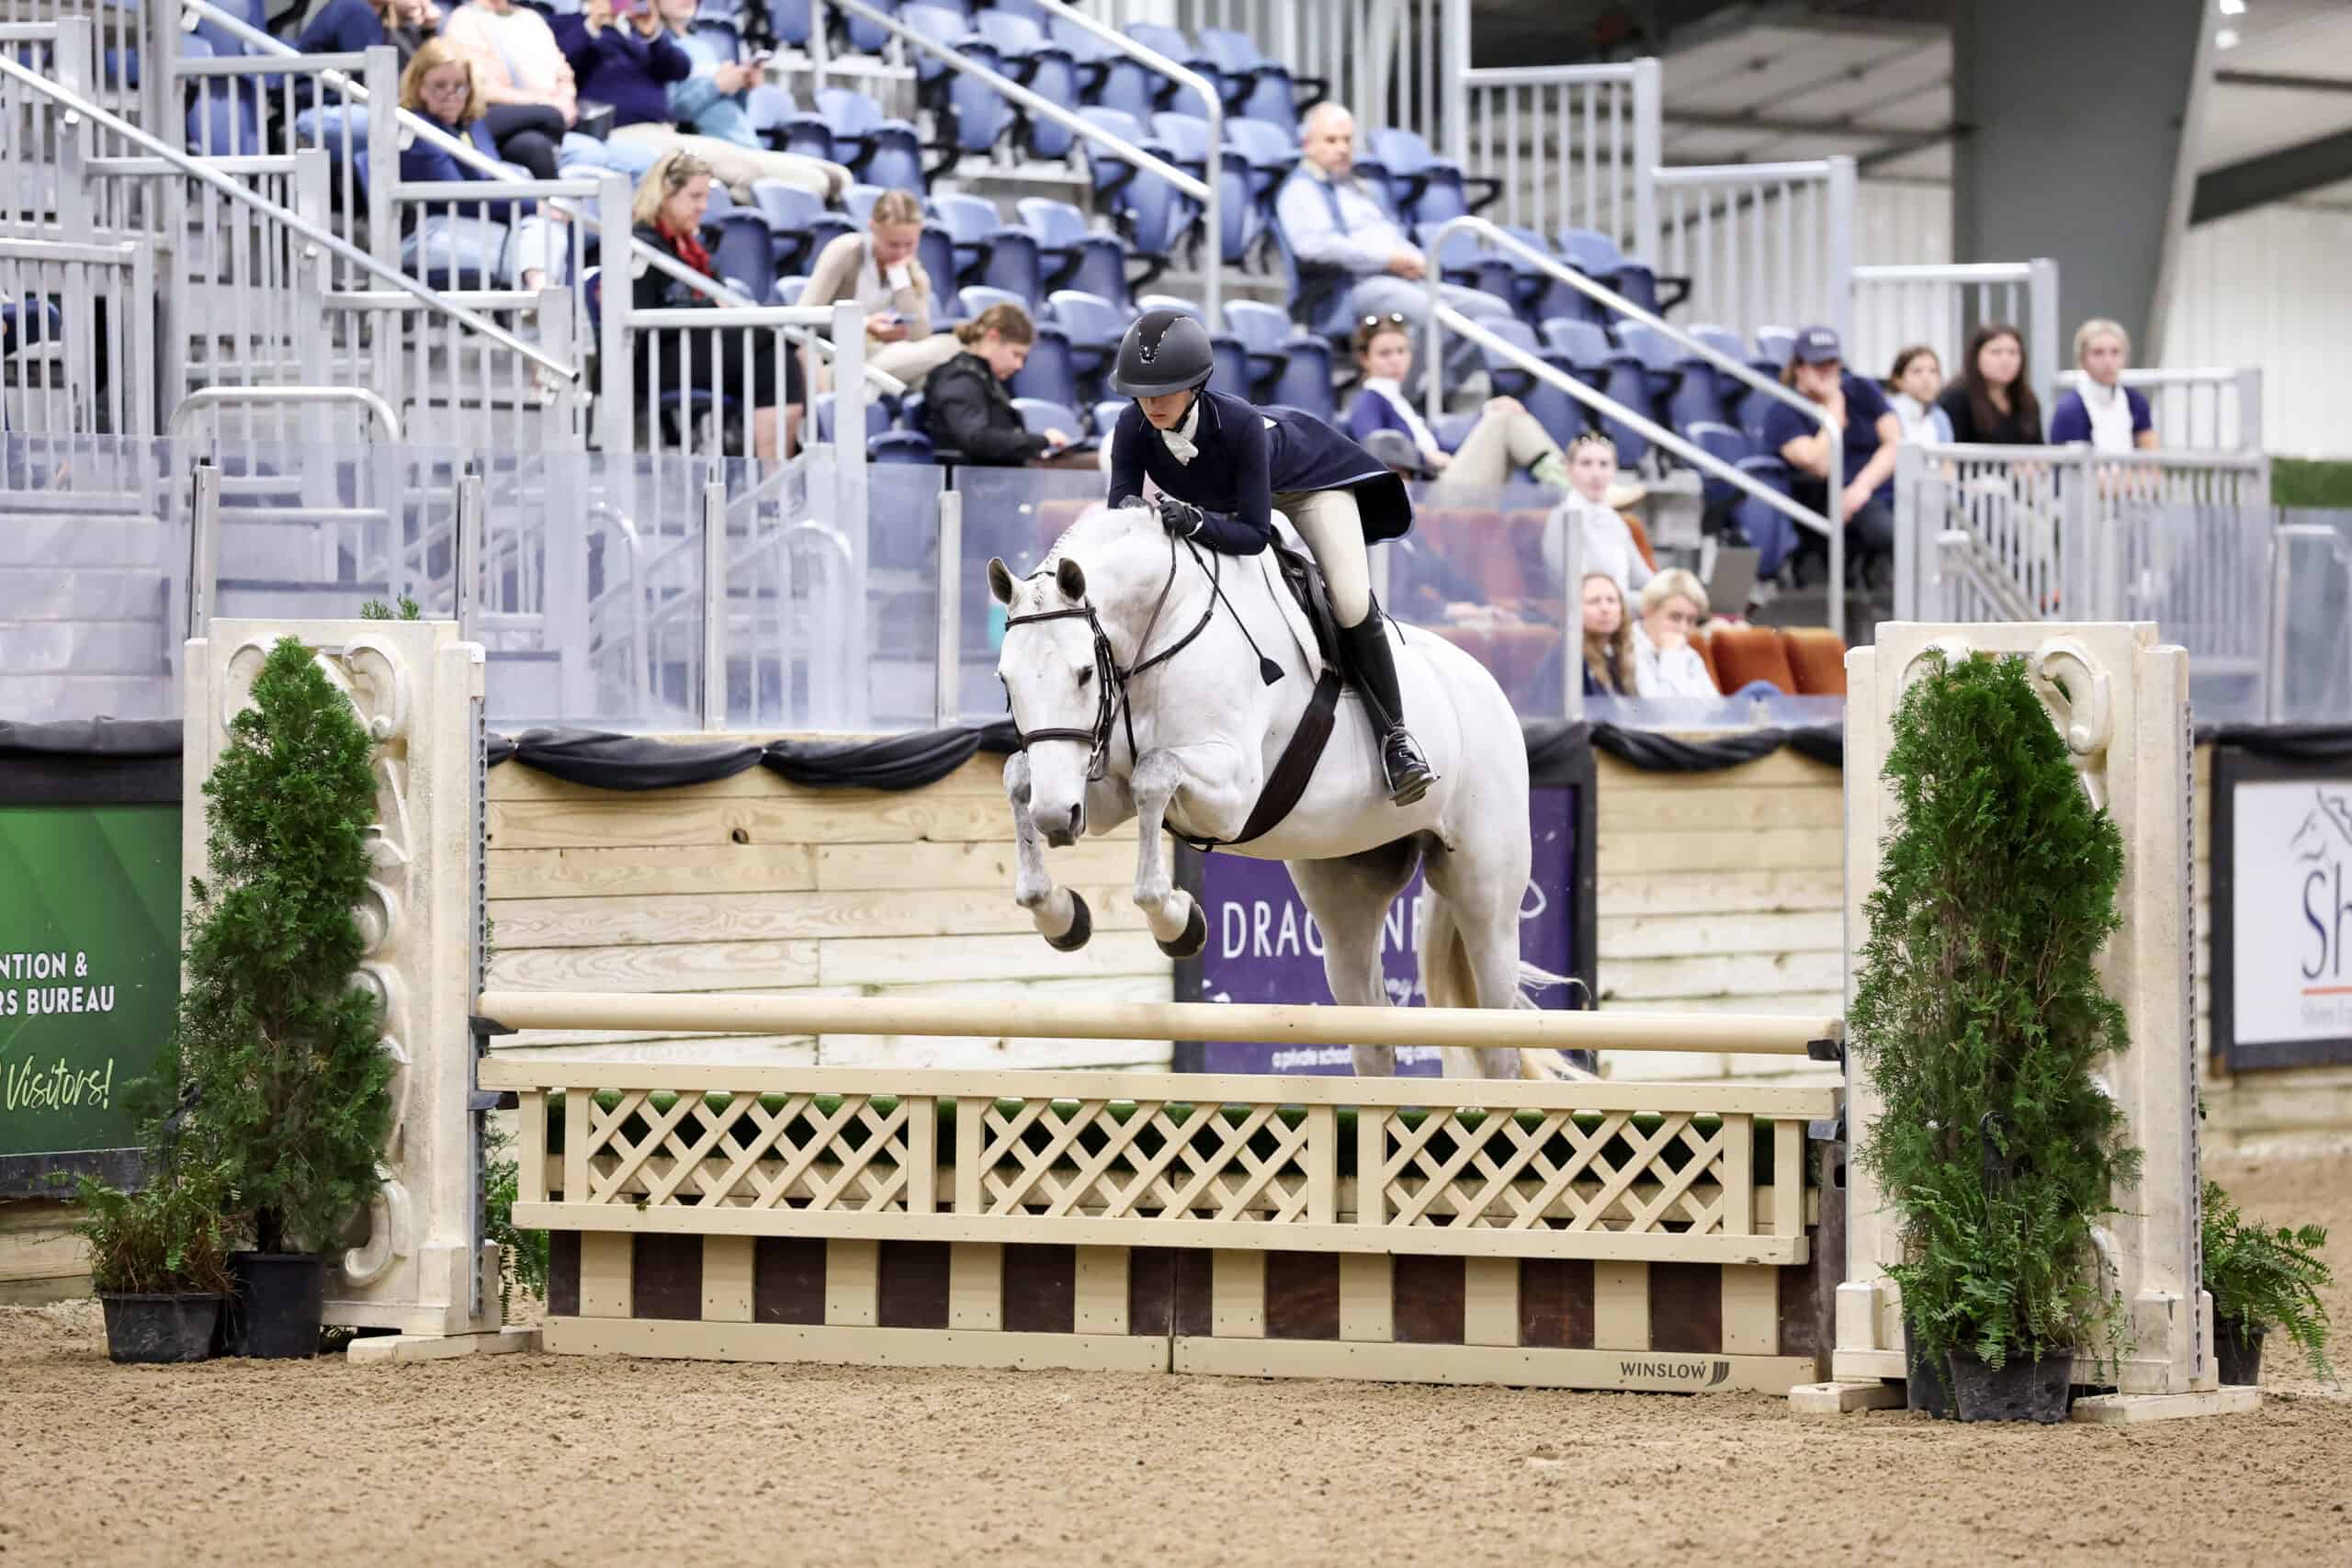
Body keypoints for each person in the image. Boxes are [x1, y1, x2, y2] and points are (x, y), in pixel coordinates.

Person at [1105, 307, 1436, 805]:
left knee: (1347, 600)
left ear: (1195, 386)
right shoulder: (1133, 426)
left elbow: (1256, 534)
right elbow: (1122, 514)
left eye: (1164, 390)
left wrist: (1194, 521)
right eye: (1141, 392)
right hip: (1228, 500)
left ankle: (1397, 740)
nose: (1150, 403)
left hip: (1306, 484)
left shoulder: (1237, 424)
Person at [1271, 102, 1516, 401]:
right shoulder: (1301, 189)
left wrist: (1416, 260)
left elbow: (1389, 235)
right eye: (1331, 140)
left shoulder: (1355, 187)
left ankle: (1437, 389)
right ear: (1307, 144)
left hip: (1398, 280)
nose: (1342, 148)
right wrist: (1388, 260)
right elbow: (1314, 247)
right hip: (1347, 288)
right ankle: (1402, 400)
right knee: (1436, 316)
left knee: (1494, 313)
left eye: (1347, 140)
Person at [557, 0, 850, 203]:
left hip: (665, 132)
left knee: (838, 175)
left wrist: (651, 33)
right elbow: (561, 61)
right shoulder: (570, 27)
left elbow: (678, 66)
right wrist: (592, 25)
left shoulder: (635, 36)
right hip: (621, 134)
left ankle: (822, 180)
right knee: (731, 162)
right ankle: (804, 188)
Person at [629, 151, 803, 459]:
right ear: (664, 195)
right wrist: (707, 309)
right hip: (657, 357)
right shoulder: (639, 245)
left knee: (776, 361)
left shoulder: (691, 247)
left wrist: (713, 307)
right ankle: (774, 476)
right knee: (772, 339)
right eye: (694, 196)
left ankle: (771, 484)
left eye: (705, 197)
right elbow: (640, 316)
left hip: (699, 349)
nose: (703, 207)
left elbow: (718, 297)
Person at [396, 40, 559, 291]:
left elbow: (493, 176)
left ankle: (538, 298)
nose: (451, 95)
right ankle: (539, 298)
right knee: (539, 250)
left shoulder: (472, 122)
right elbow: (459, 197)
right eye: (439, 86)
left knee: (545, 235)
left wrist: (532, 206)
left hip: (478, 223)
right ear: (419, 87)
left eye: (459, 86)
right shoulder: (415, 130)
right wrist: (531, 204)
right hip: (430, 233)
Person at [1342, 312, 1571, 491]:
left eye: (1401, 351)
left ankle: (1568, 481)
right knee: (1505, 420)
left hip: (1444, 482)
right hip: (1430, 492)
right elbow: (1376, 454)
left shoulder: (1399, 401)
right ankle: (1572, 486)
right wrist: (1426, 459)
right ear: (1365, 358)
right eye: (1385, 354)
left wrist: (1485, 415)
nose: (1396, 360)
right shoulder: (1368, 402)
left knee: (1501, 412)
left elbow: (1447, 451)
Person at [1760, 325, 1900, 563]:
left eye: (1832, 363)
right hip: (1831, 497)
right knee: (1888, 531)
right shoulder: (1783, 410)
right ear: (1800, 369)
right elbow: (1820, 464)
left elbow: (1895, 443)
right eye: (1818, 365)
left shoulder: (1862, 388)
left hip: (1876, 486)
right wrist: (1833, 409)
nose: (1827, 371)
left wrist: (1862, 487)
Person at [803, 190, 963, 393]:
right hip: (835, 358)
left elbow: (919, 337)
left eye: (909, 245)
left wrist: (901, 281)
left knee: (935, 371)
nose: (901, 253)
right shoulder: (844, 251)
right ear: (873, 228)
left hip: (883, 357)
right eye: (893, 244)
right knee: (948, 347)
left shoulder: (916, 275)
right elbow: (803, 316)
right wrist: (865, 325)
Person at [441, 0, 616, 181]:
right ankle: (555, 207)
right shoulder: (464, 20)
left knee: (626, 157)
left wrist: (567, 97)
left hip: (553, 119)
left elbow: (562, 69)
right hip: (503, 120)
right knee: (563, 148)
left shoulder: (532, 19)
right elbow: (482, 88)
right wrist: (545, 105)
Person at [922, 304, 1091, 468]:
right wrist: (1042, 441)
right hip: (982, 482)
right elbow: (976, 438)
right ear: (993, 337)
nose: (1019, 366)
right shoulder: (960, 378)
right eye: (1016, 354)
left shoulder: (983, 377)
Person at [1540, 432, 1652, 598]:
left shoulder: (1615, 520)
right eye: (1586, 463)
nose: (1596, 474)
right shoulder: (1561, 519)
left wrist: (1670, 594)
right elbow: (1575, 594)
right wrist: (1651, 605)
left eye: (1604, 464)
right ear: (1569, 470)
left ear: (1614, 470)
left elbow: (1644, 579)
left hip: (1624, 613)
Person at [653, 0, 765, 147]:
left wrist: (743, 86)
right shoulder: (658, 48)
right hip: (712, 149)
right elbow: (669, 113)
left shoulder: (703, 47)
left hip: (747, 144)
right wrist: (716, 86)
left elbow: (732, 109)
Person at [2049, 317, 2157, 453]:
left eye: (2115, 352)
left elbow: (2152, 458)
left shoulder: (2136, 401)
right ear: (2082, 360)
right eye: (2098, 353)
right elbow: (2080, 468)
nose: (2108, 361)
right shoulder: (2069, 409)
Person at [1937, 321, 2043, 446]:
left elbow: (2040, 449)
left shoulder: (2028, 400)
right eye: (1996, 352)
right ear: (1976, 357)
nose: (2006, 360)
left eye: (2013, 352)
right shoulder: (1955, 399)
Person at [1631, 570, 1718, 698]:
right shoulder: (1627, 651)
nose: (1683, 628)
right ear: (1648, 611)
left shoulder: (1690, 654)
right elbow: (1661, 713)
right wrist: (1671, 656)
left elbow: (1715, 708)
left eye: (1691, 620)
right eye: (1675, 617)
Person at [1883, 344, 1953, 447]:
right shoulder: (1886, 412)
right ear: (1898, 379)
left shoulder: (1940, 417)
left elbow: (1947, 461)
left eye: (1933, 371)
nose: (1926, 378)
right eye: (1917, 371)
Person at [1579, 572, 1634, 697]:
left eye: (1611, 600)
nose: (1605, 609)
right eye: (1594, 601)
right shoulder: (1569, 660)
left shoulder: (1617, 656)